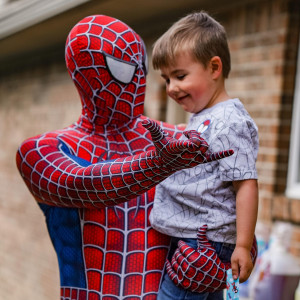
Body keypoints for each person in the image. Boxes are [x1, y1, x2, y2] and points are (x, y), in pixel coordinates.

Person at [16, 15, 233, 299]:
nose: (136, 79)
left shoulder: (181, 138)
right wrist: (161, 164)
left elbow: (233, 219)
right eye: (122, 68)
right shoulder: (43, 150)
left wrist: (217, 262)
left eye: (140, 67)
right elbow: (82, 184)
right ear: (82, 70)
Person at [149, 11, 259, 300]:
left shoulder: (229, 121)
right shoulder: (206, 116)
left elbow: (245, 183)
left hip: (202, 243)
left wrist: (243, 246)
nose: (171, 88)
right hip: (200, 238)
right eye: (166, 79)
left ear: (214, 68)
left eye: (180, 76)